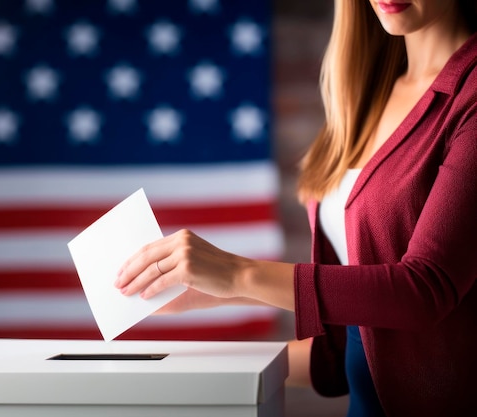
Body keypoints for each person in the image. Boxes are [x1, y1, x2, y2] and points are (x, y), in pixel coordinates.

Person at [115, 0, 477, 416]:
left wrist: (239, 275)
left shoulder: (470, 93)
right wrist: (195, 347)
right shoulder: (370, 90)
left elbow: (423, 291)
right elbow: (349, 352)